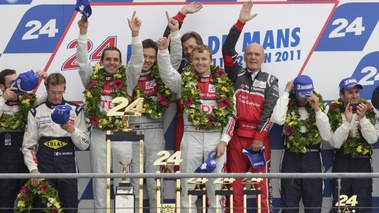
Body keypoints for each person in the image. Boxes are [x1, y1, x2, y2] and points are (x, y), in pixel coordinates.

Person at [157, 36, 235, 212]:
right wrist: (163, 52)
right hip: (191, 137)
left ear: (211, 60)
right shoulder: (184, 81)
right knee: (187, 190)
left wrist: (224, 141)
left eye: (204, 59)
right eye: (197, 59)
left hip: (215, 140)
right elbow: (167, 74)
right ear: (191, 59)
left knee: (215, 191)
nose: (200, 62)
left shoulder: (224, 82)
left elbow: (232, 116)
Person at [76, 12, 144, 212]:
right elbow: (81, 63)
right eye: (108, 59)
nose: (112, 62)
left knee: (124, 180)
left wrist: (135, 35)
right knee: (100, 179)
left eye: (115, 59)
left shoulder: (128, 79)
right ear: (102, 61)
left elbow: (138, 62)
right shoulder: (91, 78)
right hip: (98, 133)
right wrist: (82, 33)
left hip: (122, 133)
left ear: (121, 63)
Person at [222, 1, 279, 212]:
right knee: (234, 183)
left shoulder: (271, 80)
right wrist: (240, 23)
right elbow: (227, 50)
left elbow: (270, 110)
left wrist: (259, 137)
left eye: (257, 54)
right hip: (236, 138)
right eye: (249, 54)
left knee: (261, 185)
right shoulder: (236, 74)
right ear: (244, 57)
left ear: (263, 58)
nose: (253, 57)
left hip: (259, 139)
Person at [128, 13, 181, 212]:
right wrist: (135, 34)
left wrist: (174, 34)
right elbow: (135, 63)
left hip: (155, 132)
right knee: (132, 182)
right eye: (144, 56)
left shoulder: (161, 73)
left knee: (154, 182)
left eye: (151, 57)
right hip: (131, 133)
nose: (147, 60)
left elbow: (174, 61)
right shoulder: (129, 73)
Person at [22, 73, 90, 213]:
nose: (56, 96)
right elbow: (28, 146)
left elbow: (85, 144)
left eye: (60, 92)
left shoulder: (75, 110)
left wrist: (73, 131)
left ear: (64, 90)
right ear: (46, 89)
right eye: (53, 92)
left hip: (67, 165)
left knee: (70, 207)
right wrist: (33, 169)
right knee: (41, 208)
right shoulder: (35, 112)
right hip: (44, 165)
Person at [271, 75, 332, 213]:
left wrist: (317, 110)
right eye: (301, 95)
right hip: (291, 157)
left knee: (314, 204)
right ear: (294, 92)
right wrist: (286, 92)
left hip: (313, 158)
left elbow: (327, 136)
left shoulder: (321, 106)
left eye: (307, 94)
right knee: (289, 205)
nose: (305, 98)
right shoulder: (286, 104)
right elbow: (277, 119)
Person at [327, 77, 379, 213]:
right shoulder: (333, 111)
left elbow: (372, 139)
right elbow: (335, 143)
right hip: (342, 161)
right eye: (350, 92)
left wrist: (362, 119)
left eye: (356, 92)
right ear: (341, 95)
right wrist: (347, 122)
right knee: (342, 207)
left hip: (363, 163)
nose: (355, 95)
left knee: (362, 206)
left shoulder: (370, 110)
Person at [0, 69, 47, 213]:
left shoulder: (26, 98)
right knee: (5, 197)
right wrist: (3, 99)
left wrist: (46, 83)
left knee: (28, 198)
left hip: (26, 154)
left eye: (17, 81)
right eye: (12, 83)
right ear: (2, 87)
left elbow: (41, 103)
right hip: (5, 155)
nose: (17, 85)